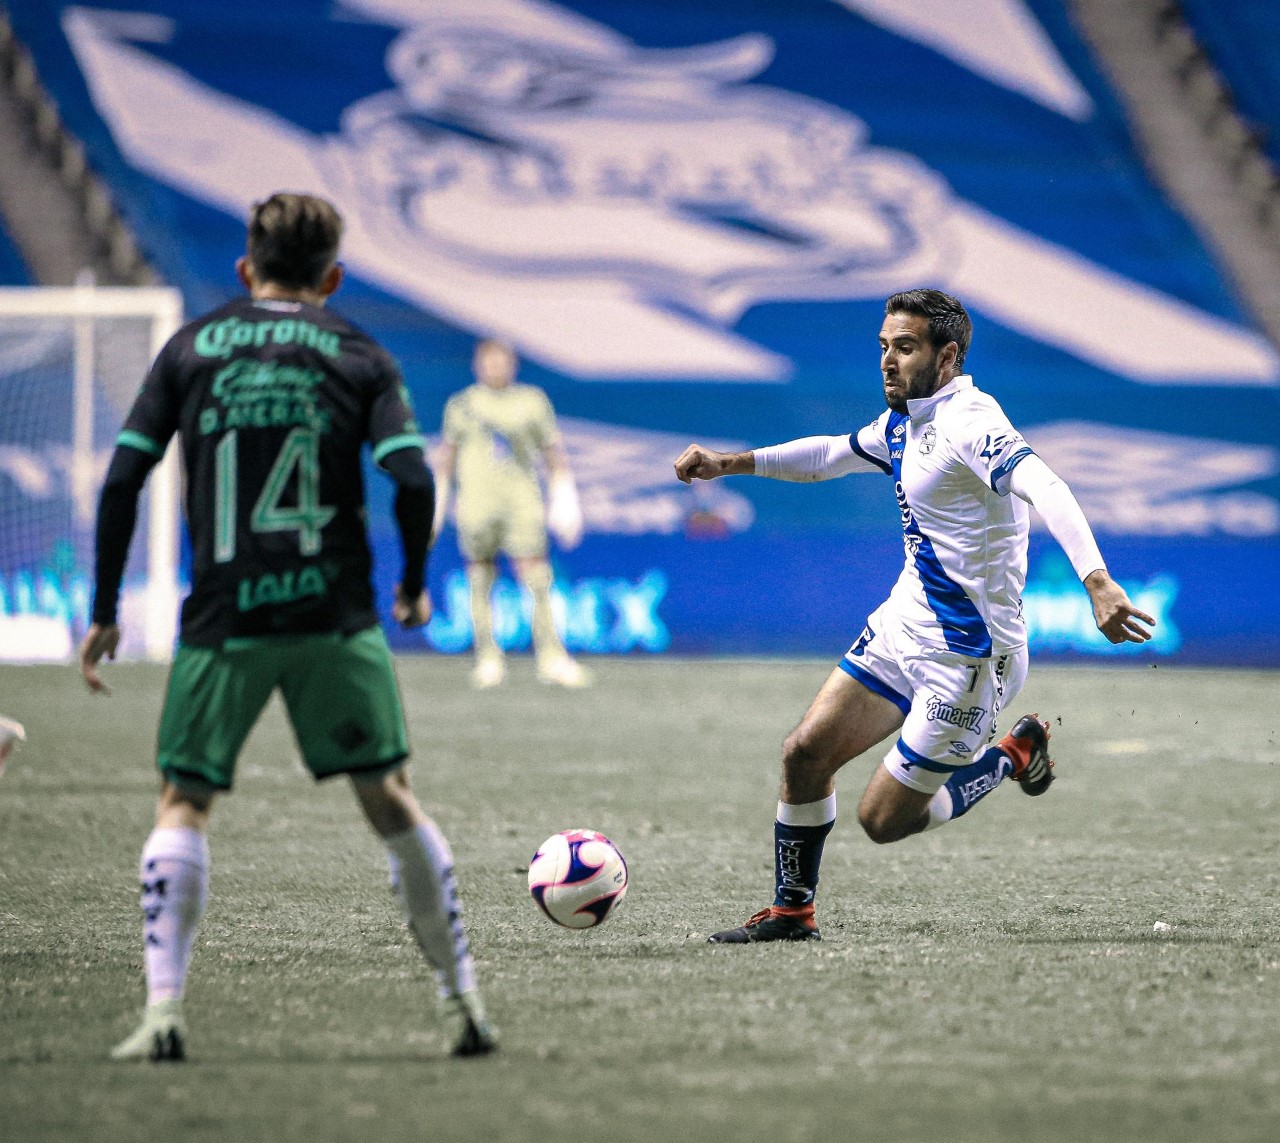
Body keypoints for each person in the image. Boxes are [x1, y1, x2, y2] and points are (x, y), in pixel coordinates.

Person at [80, 192, 496, 1058]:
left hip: (224, 615)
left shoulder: (191, 347)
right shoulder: (358, 352)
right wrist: (415, 584)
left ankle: (162, 1012)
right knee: (389, 796)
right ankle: (462, 1005)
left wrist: (105, 611)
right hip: (332, 613)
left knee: (184, 800)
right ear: (333, 276)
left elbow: (122, 481)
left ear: (245, 270)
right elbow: (414, 480)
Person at [674, 288, 1154, 944]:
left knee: (883, 819)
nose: (888, 361)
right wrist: (729, 464)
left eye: (904, 347)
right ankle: (792, 912)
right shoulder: (905, 420)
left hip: (967, 662)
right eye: (882, 347)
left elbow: (1046, 484)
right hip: (904, 625)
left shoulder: (970, 421)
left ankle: (1013, 753)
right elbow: (829, 456)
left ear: (948, 355)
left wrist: (1097, 580)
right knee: (804, 752)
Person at [433, 339, 590, 689]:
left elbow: (553, 452)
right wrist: (438, 502)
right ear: (477, 365)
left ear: (512, 365)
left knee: (536, 577)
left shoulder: (531, 401)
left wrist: (565, 497)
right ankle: (488, 656)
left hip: (521, 503)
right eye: (488, 361)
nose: (495, 367)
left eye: (501, 361)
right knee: (479, 579)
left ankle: (551, 656)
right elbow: (447, 456)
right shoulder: (462, 405)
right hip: (476, 505)